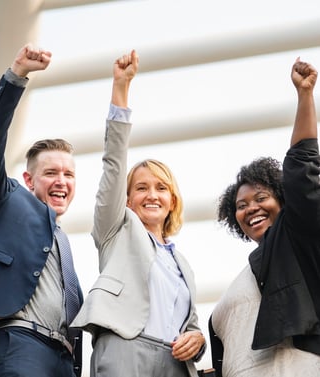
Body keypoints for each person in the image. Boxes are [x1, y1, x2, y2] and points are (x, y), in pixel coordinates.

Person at [0, 43, 83, 377]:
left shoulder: (62, 241)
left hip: (64, 359)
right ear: (28, 179)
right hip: (19, 341)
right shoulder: (8, 199)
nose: (61, 181)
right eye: (51, 173)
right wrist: (17, 76)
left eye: (68, 174)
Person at [71, 50, 206, 377]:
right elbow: (114, 164)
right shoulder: (116, 231)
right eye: (141, 188)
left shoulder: (180, 263)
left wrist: (197, 340)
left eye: (161, 188)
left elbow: (191, 324)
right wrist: (121, 89)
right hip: (126, 348)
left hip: (174, 363)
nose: (152, 195)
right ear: (127, 200)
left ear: (172, 200)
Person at [209, 58, 320, 377]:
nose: (250, 208)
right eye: (241, 205)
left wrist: (305, 96)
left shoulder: (298, 240)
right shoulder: (251, 270)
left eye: (261, 198)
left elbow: (302, 167)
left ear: (284, 201)